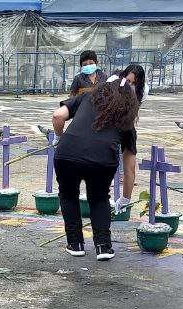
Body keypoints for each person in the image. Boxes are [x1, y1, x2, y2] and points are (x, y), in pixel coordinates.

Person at [51, 76, 140, 261]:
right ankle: (103, 247)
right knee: (99, 198)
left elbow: (58, 116)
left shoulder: (87, 97)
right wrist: (125, 198)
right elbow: (130, 167)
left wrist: (59, 137)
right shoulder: (127, 118)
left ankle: (75, 244)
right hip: (102, 159)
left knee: (68, 195)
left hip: (68, 154)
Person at [104, 63, 149, 213]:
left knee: (129, 166)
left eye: (134, 83)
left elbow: (134, 111)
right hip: (109, 123)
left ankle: (125, 200)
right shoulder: (113, 81)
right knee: (105, 162)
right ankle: (100, 197)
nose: (130, 85)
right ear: (123, 77)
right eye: (128, 81)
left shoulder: (144, 90)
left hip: (127, 124)